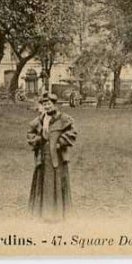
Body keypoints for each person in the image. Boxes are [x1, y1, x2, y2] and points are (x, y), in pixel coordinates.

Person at [27, 92, 78, 221]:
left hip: (58, 157)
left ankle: (57, 214)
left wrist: (60, 142)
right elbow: (30, 134)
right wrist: (38, 139)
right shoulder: (40, 119)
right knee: (43, 181)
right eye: (44, 104)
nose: (47, 106)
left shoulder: (63, 118)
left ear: (54, 104)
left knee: (56, 182)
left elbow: (72, 133)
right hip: (43, 156)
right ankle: (43, 213)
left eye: (49, 103)